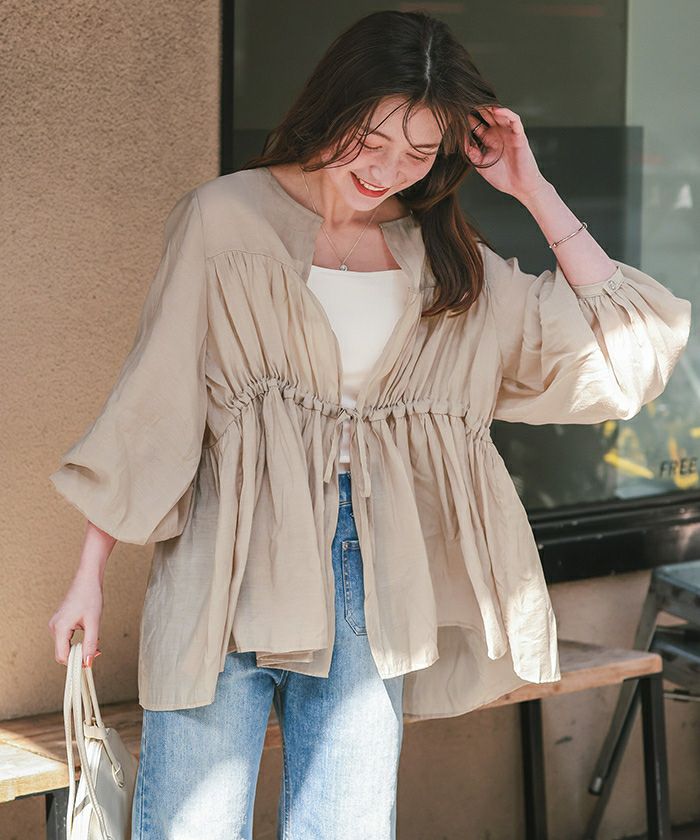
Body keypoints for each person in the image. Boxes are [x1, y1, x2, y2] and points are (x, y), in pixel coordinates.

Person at [47, 9, 692, 840]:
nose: (387, 170)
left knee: (346, 826)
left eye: (419, 152)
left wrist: (533, 188)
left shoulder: (446, 262)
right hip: (228, 558)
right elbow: (154, 398)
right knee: (189, 825)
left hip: (375, 568)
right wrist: (89, 575)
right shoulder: (225, 218)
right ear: (334, 107)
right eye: (371, 139)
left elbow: (630, 349)